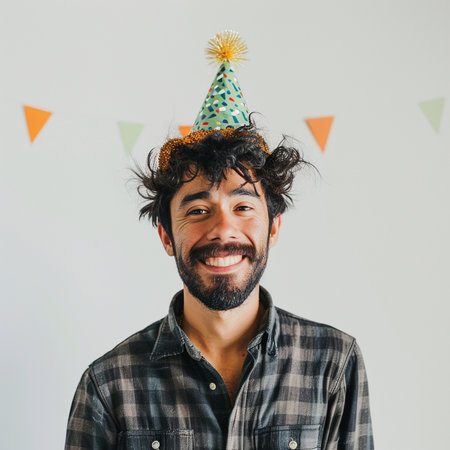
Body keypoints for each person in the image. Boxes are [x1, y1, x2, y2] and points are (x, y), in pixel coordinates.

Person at [65, 31, 374, 450]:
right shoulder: (108, 385)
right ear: (166, 235)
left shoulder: (334, 365)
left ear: (274, 227)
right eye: (197, 210)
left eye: (243, 207)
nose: (223, 230)